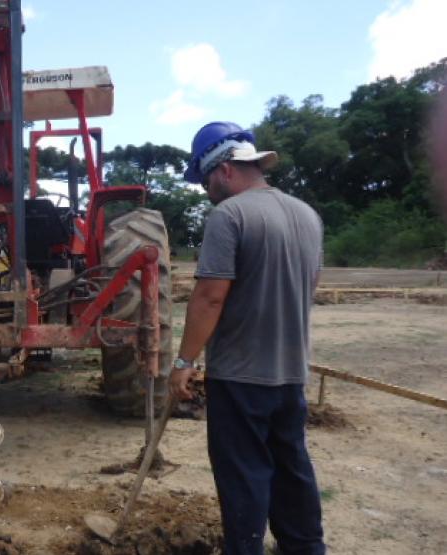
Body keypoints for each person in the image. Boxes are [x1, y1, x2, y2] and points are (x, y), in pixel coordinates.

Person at [169, 122, 326, 554]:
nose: (205, 191)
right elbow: (308, 287)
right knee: (292, 467)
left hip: (240, 377)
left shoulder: (229, 216)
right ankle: (306, 548)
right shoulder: (307, 215)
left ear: (223, 170)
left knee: (244, 477)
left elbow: (209, 298)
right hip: (291, 375)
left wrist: (184, 363)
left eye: (204, 181)